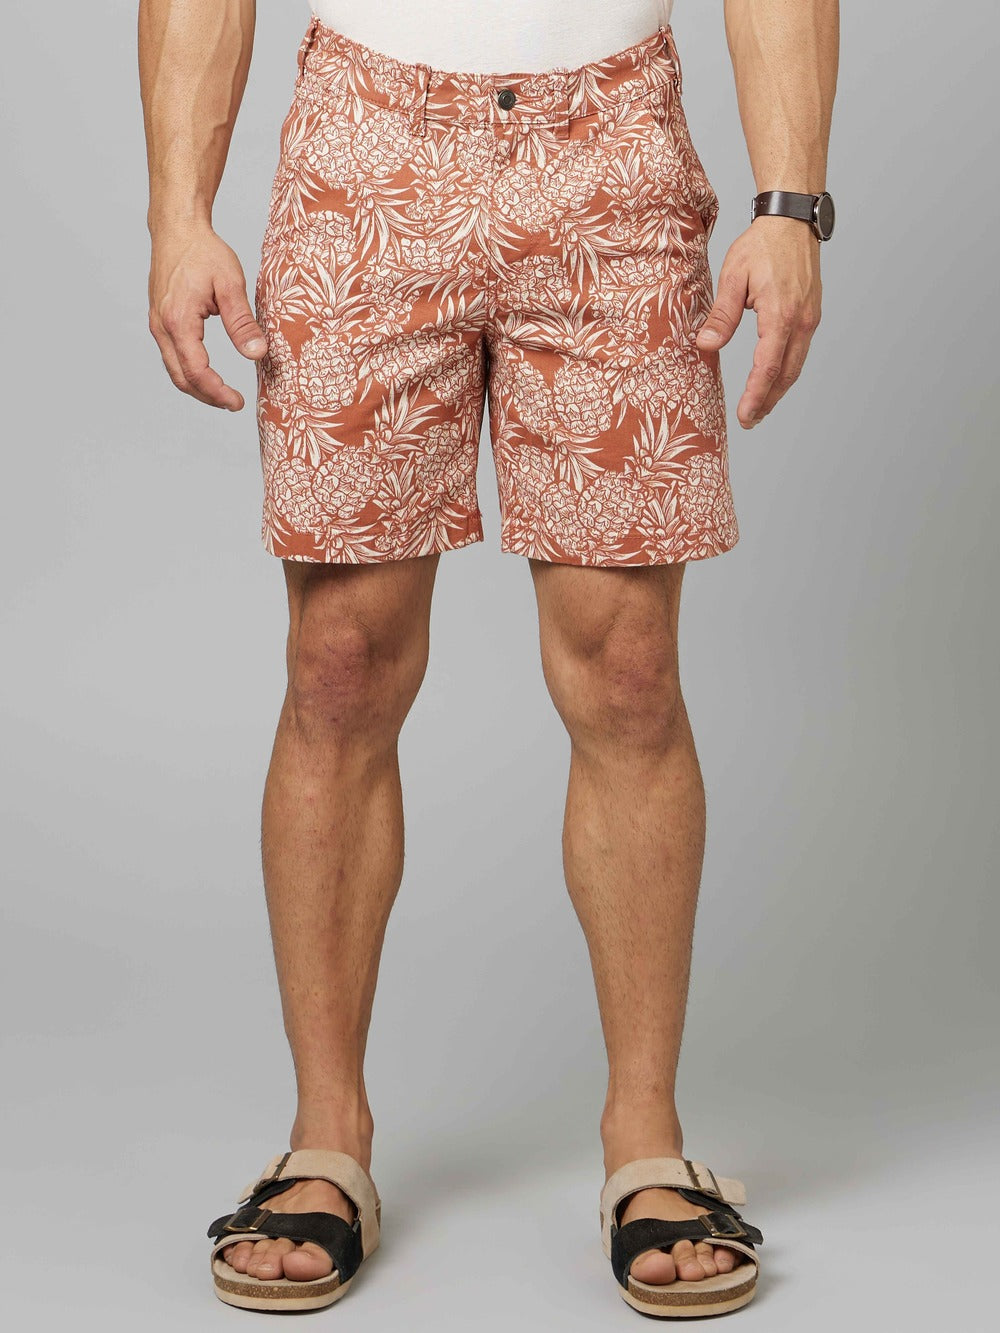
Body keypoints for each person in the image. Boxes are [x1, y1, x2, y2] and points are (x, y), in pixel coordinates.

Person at [140, 0, 837, 1317]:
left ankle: (647, 1139)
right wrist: (178, 211)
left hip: (613, 148)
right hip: (366, 145)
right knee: (339, 660)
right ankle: (325, 1138)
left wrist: (792, 205)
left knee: (629, 668)